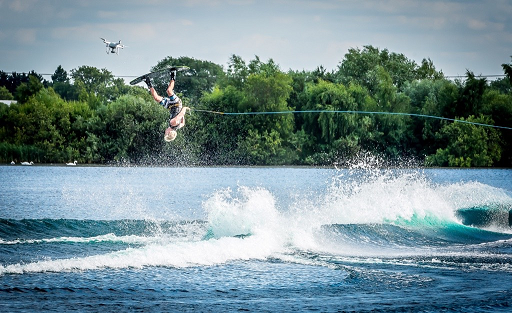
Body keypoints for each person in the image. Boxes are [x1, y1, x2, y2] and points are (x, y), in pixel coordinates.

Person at [144, 69, 190, 142]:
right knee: (169, 91)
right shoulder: (173, 123)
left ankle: (148, 82)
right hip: (176, 103)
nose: (164, 132)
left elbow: (183, 123)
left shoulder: (176, 127)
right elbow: (181, 114)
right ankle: (173, 74)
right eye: (165, 134)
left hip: (170, 106)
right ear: (168, 132)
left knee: (156, 98)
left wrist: (183, 116)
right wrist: (184, 108)